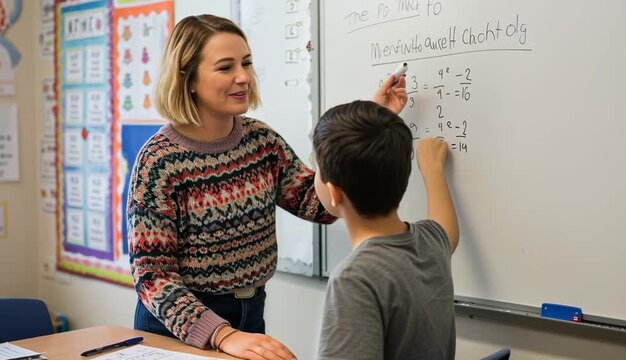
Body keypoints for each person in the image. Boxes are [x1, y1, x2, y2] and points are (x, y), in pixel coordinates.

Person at [127, 15, 407, 360]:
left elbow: (321, 204)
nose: (243, 77)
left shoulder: (261, 140)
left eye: (246, 63)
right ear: (189, 79)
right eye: (225, 67)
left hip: (249, 316)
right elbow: (153, 277)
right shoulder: (158, 161)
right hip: (178, 326)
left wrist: (373, 122)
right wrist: (220, 333)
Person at [312, 100, 459, 360]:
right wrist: (433, 170)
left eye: (317, 168)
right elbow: (446, 227)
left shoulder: (354, 279)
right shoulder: (431, 244)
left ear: (334, 192)